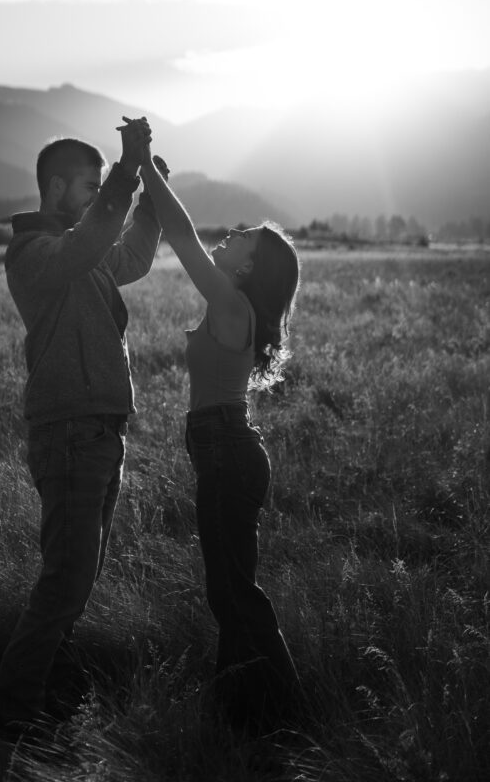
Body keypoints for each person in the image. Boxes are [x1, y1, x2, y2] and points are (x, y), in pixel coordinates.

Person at [0, 118, 162, 742]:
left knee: (78, 576)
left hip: (101, 431)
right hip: (68, 432)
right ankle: (13, 715)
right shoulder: (36, 254)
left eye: (99, 188)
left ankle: (47, 689)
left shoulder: (82, 252)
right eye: (89, 188)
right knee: (66, 578)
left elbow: (132, 257)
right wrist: (125, 173)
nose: (96, 198)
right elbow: (91, 245)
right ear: (56, 187)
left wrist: (148, 194)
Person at [139, 137, 304, 736]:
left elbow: (181, 237)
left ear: (248, 266)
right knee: (230, 591)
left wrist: (144, 170)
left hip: (228, 453)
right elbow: (184, 237)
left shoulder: (232, 306)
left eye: (242, 237)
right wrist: (146, 183)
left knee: (234, 595)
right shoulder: (233, 305)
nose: (230, 234)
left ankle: (289, 711)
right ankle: (237, 707)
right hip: (228, 452)